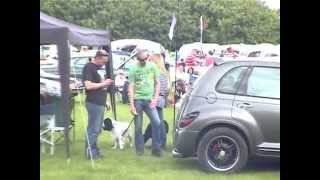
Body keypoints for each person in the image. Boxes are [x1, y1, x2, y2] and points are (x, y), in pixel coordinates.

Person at [128, 49, 163, 156]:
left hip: (149, 100)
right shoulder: (133, 69)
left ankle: (156, 148)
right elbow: (131, 87)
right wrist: (132, 105)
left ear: (147, 57)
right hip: (137, 100)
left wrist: (155, 98)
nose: (143, 61)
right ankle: (139, 150)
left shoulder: (153, 67)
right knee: (138, 126)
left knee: (157, 122)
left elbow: (158, 83)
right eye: (140, 60)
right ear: (137, 59)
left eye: (144, 59)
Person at [82, 50, 114, 159]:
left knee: (98, 129)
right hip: (93, 102)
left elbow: (102, 88)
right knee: (93, 129)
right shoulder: (89, 67)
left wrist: (106, 101)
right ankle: (90, 152)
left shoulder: (99, 69)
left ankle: (94, 150)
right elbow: (88, 86)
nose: (104, 64)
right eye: (103, 62)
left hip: (100, 102)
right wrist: (105, 83)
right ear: (98, 57)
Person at [149, 53, 169, 149]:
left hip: (156, 98)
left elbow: (156, 87)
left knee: (157, 123)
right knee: (159, 121)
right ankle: (161, 142)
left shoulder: (157, 73)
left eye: (151, 60)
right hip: (161, 98)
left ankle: (158, 142)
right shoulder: (164, 72)